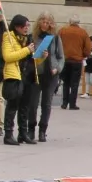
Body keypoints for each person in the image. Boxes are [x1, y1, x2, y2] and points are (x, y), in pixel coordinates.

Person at [0, 14, 38, 145]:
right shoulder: (9, 37)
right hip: (14, 75)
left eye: (28, 25)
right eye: (24, 26)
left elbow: (31, 58)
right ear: (17, 26)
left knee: (25, 107)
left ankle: (23, 133)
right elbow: (8, 57)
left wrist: (41, 56)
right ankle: (8, 134)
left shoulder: (27, 39)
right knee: (12, 106)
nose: (26, 28)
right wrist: (27, 50)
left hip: (26, 75)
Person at [31, 13, 60, 142]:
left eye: (48, 21)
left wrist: (57, 68)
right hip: (37, 73)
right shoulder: (33, 37)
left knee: (46, 103)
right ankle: (31, 129)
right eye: (43, 20)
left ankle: (43, 130)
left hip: (51, 74)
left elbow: (61, 57)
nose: (45, 23)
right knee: (33, 103)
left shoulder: (55, 38)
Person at [58, 16, 90, 110]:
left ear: (69, 22)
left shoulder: (62, 31)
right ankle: (72, 104)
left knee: (66, 83)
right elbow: (88, 47)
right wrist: (84, 55)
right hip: (76, 61)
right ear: (78, 23)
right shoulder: (83, 32)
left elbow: (57, 42)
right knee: (75, 83)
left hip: (65, 60)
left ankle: (64, 103)